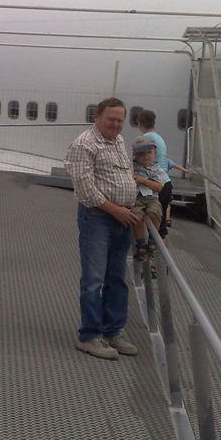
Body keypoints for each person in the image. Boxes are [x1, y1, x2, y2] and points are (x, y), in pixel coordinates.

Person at [64, 97, 142, 361]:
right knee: (94, 279)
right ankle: (89, 336)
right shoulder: (84, 144)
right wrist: (116, 209)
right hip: (98, 218)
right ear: (97, 117)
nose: (115, 124)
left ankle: (112, 331)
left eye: (120, 120)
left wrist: (129, 207)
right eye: (111, 119)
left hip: (123, 219)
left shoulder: (118, 141)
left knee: (116, 278)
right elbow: (85, 190)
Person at [136, 109, 192, 238]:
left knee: (152, 225)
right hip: (165, 182)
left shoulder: (145, 139)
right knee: (161, 228)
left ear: (139, 122)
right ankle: (159, 249)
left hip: (155, 184)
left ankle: (148, 247)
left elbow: (140, 162)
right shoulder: (158, 138)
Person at [130, 136, 168, 260]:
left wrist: (143, 180)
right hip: (136, 198)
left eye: (149, 152)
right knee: (136, 216)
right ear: (135, 155)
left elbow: (159, 187)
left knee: (154, 212)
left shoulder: (157, 169)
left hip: (151, 198)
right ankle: (140, 243)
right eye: (141, 153)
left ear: (154, 152)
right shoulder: (131, 167)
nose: (146, 156)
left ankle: (152, 239)